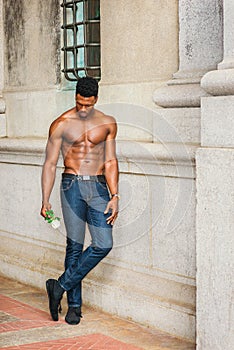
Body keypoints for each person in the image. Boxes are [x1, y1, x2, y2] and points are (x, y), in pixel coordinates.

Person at [40, 77, 119, 325]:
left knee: (103, 243)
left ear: (96, 99)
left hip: (98, 186)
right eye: (79, 103)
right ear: (75, 97)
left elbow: (111, 161)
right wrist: (45, 200)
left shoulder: (107, 123)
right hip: (72, 184)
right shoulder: (62, 124)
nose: (83, 109)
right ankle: (74, 306)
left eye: (88, 104)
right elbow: (50, 163)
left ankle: (59, 286)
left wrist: (115, 195)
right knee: (74, 245)